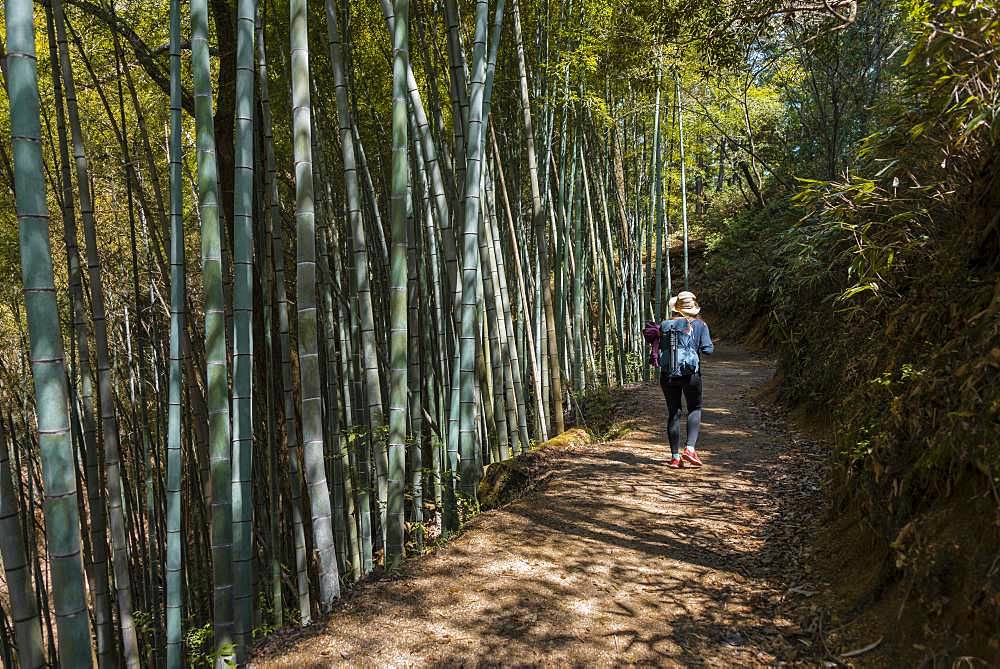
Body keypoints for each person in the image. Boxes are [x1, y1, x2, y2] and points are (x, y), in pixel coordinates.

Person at [660, 291, 714, 468]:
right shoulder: (700, 324)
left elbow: (659, 348)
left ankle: (675, 457)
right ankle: (689, 449)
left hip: (668, 375)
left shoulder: (666, 325)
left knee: (674, 412)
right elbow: (708, 350)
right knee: (695, 408)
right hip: (691, 374)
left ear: (676, 308)